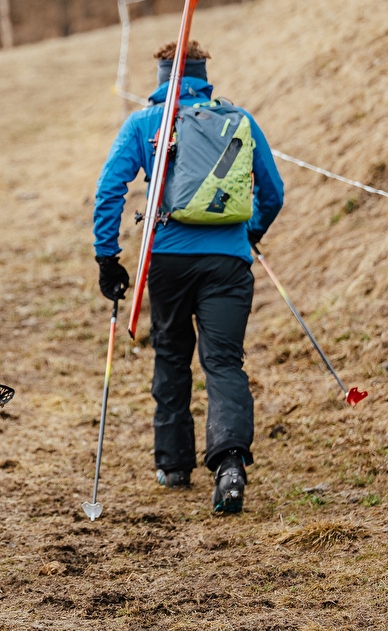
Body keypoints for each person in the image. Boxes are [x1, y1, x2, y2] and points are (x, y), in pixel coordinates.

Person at [91, 41, 284, 514]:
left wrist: (107, 257)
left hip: (169, 262)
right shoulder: (238, 120)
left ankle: (174, 466)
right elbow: (273, 191)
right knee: (223, 362)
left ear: (160, 78)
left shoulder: (144, 123)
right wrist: (248, 234)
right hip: (229, 263)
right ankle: (231, 463)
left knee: (173, 356)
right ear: (204, 73)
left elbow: (109, 189)